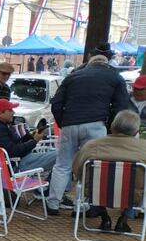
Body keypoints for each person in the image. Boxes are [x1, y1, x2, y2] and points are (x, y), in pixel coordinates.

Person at [47, 54, 130, 215]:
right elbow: (121, 105)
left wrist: (64, 122)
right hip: (96, 124)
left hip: (70, 123)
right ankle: (80, 205)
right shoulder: (115, 77)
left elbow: (56, 104)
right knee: (89, 166)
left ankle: (53, 204)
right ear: (106, 64)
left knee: (62, 164)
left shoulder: (72, 77)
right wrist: (109, 126)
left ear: (89, 64)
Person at [72, 109, 146, 232]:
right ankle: (123, 221)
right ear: (136, 131)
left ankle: (105, 218)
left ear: (112, 126)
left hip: (96, 193)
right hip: (133, 196)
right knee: (137, 184)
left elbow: (77, 169)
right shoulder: (143, 148)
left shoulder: (92, 146)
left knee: (95, 181)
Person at [0, 98, 56, 173]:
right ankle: (54, 184)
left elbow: (15, 143)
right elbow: (14, 151)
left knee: (60, 157)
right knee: (60, 156)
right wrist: (35, 141)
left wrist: (29, 136)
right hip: (17, 164)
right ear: (0, 114)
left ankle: (53, 183)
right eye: (10, 110)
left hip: (18, 160)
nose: (13, 112)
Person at [128, 75, 146, 139]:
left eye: (141, 89)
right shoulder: (125, 100)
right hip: (127, 133)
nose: (138, 91)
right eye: (136, 88)